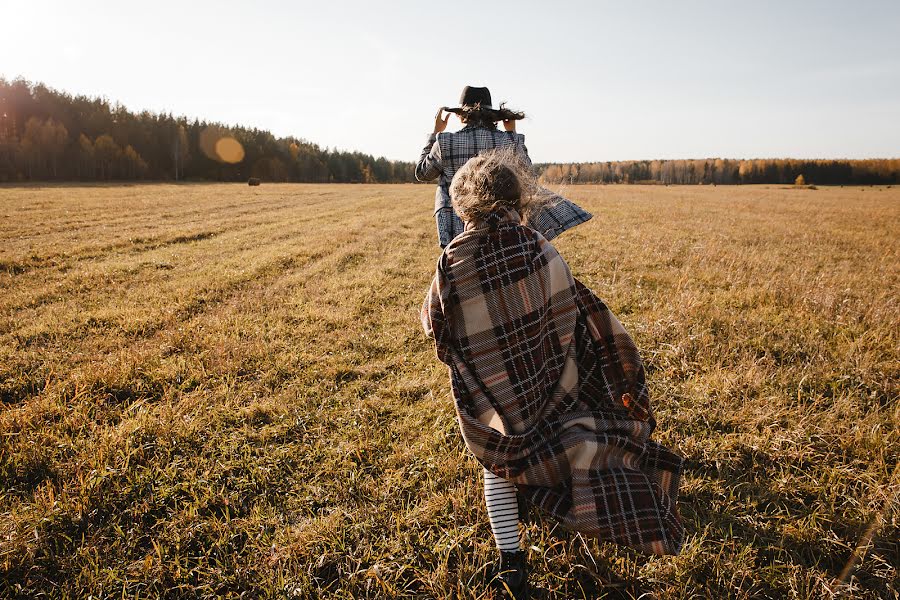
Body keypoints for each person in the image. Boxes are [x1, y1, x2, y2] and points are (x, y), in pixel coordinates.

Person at [421, 149, 684, 599]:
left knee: (499, 463)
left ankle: (512, 565)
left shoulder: (452, 259)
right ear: (518, 199)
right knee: (542, 444)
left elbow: (435, 326)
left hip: (493, 396)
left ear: (461, 205)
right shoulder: (541, 248)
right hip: (552, 382)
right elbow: (570, 312)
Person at [415, 85, 592, 248]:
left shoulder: (445, 142)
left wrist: (435, 133)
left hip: (458, 224)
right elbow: (528, 175)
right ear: (493, 116)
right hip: (503, 225)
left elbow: (422, 173)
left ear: (461, 115)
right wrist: (512, 134)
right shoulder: (508, 140)